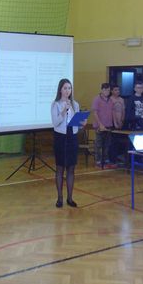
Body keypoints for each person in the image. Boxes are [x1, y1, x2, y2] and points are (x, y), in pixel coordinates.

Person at [51, 78, 84, 208]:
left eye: (69, 88)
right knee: (60, 168)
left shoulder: (75, 104)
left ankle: (70, 198)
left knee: (71, 168)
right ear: (60, 90)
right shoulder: (56, 104)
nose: (67, 91)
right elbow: (55, 122)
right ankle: (59, 198)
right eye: (65, 88)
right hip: (60, 137)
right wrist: (64, 110)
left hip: (72, 137)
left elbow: (77, 124)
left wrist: (82, 123)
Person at [91, 82, 114, 168]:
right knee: (99, 144)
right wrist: (100, 124)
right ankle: (98, 161)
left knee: (107, 144)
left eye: (108, 90)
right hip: (99, 126)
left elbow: (112, 112)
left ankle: (106, 160)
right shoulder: (97, 99)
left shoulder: (110, 100)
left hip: (108, 125)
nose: (107, 92)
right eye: (105, 90)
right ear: (101, 90)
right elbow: (95, 113)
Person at [109, 84, 126, 163]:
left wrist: (122, 120)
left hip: (120, 123)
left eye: (118, 90)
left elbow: (123, 110)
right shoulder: (110, 99)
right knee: (113, 141)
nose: (117, 91)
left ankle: (120, 156)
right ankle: (112, 159)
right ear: (112, 91)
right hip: (113, 123)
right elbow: (111, 112)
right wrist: (115, 122)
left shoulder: (121, 100)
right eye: (115, 90)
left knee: (121, 141)